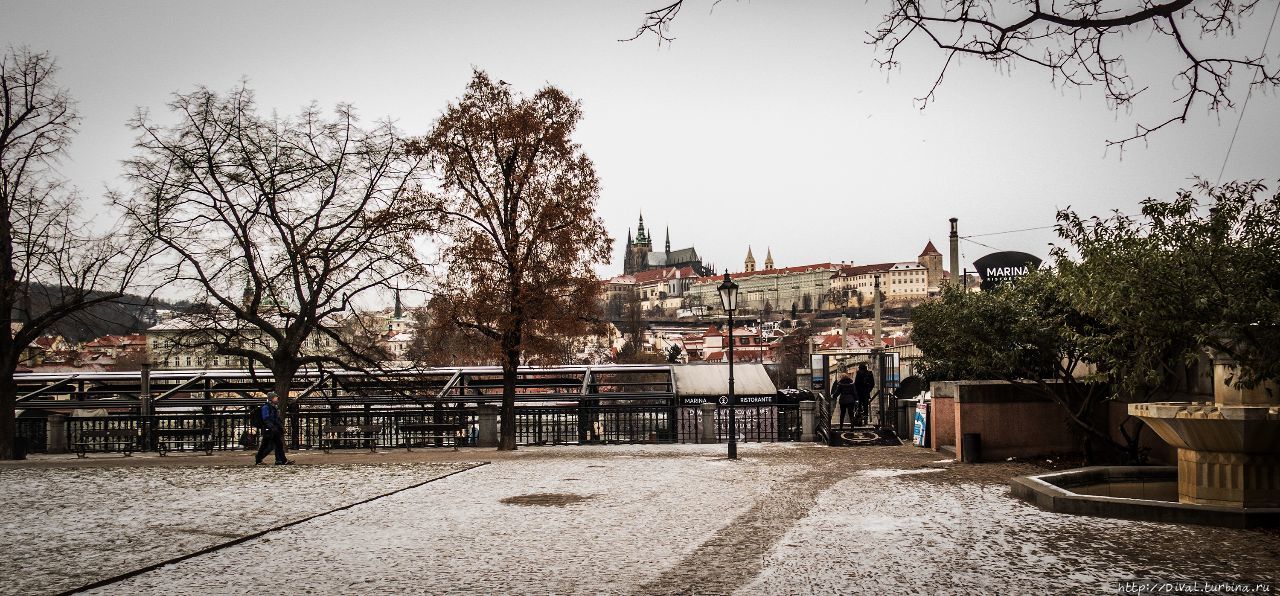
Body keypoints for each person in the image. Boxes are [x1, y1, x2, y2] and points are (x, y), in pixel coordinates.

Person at [254, 392, 294, 465]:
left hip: (272, 429)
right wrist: (272, 426)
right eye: (276, 397)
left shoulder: (272, 407)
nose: (277, 399)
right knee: (266, 445)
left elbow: (274, 419)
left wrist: (279, 427)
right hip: (269, 429)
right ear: (271, 398)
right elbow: (266, 418)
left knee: (278, 444)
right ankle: (259, 459)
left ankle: (282, 460)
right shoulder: (267, 407)